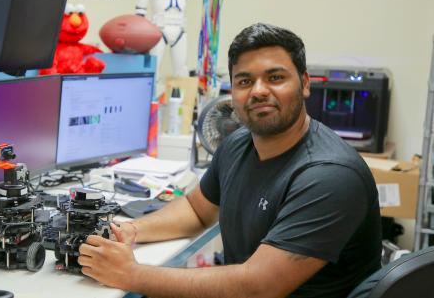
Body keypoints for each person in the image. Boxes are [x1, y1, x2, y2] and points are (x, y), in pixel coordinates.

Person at [78, 23, 382, 298]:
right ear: (233, 91)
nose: (259, 91)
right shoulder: (238, 144)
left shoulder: (329, 176)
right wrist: (134, 230)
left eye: (275, 77)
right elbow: (197, 210)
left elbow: (259, 287)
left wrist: (131, 274)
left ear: (304, 83)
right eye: (245, 81)